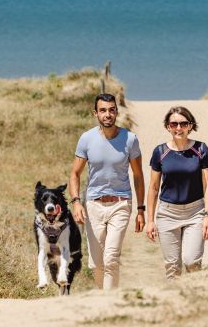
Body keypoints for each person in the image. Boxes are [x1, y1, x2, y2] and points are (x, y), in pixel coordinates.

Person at [69, 93, 146, 289]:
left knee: (111, 258)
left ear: (117, 112)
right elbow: (75, 174)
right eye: (103, 110)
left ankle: (109, 302)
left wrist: (141, 209)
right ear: (95, 113)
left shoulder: (130, 139)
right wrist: (76, 202)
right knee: (97, 264)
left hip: (121, 203)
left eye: (112, 110)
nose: (108, 114)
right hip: (94, 205)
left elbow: (138, 175)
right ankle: (102, 298)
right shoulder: (86, 139)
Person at [145, 106, 208, 279]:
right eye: (174, 123)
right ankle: (175, 304)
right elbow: (153, 187)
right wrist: (150, 221)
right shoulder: (160, 152)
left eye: (183, 124)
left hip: (195, 212)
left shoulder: (201, 149)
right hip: (167, 214)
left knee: (192, 262)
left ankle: (195, 300)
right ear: (168, 126)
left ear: (190, 126)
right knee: (172, 268)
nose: (178, 128)